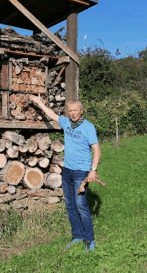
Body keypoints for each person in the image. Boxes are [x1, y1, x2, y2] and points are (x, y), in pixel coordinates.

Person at [29, 94, 101, 252]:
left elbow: (97, 150)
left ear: (81, 111)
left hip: (81, 171)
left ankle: (89, 239)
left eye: (76, 110)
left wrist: (93, 171)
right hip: (67, 170)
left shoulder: (88, 127)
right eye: (70, 110)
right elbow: (52, 115)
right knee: (70, 205)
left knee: (81, 205)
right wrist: (39, 102)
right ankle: (77, 235)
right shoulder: (66, 122)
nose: (73, 113)